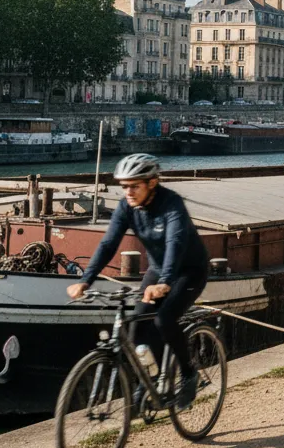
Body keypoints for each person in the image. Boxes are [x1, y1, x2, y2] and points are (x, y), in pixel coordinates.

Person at [66, 154, 209, 410]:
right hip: (157, 270)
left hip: (189, 271)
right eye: (124, 186)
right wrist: (86, 280)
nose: (128, 192)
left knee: (164, 320)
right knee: (137, 329)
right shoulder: (126, 207)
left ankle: (188, 374)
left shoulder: (171, 204)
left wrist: (165, 282)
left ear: (152, 182)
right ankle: (150, 381)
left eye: (135, 186)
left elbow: (174, 243)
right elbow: (109, 243)